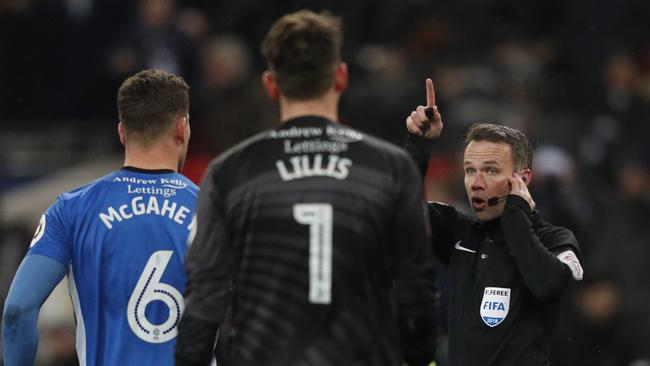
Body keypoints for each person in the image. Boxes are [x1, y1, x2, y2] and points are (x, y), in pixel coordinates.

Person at [175, 10, 439, 366]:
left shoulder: (230, 172)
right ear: (341, 77)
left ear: (270, 84)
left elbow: (205, 297)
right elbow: (417, 291)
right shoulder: (391, 167)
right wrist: (417, 354)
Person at [2, 69, 198, 366]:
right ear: (181, 129)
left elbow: (17, 309)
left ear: (122, 132)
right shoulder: (213, 208)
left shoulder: (71, 209)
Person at [404, 79, 584, 365]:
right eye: (469, 170)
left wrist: (515, 212)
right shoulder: (459, 233)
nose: (476, 183)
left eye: (490, 170)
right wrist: (420, 146)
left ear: (522, 180)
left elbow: (548, 285)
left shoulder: (555, 239)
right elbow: (400, 210)